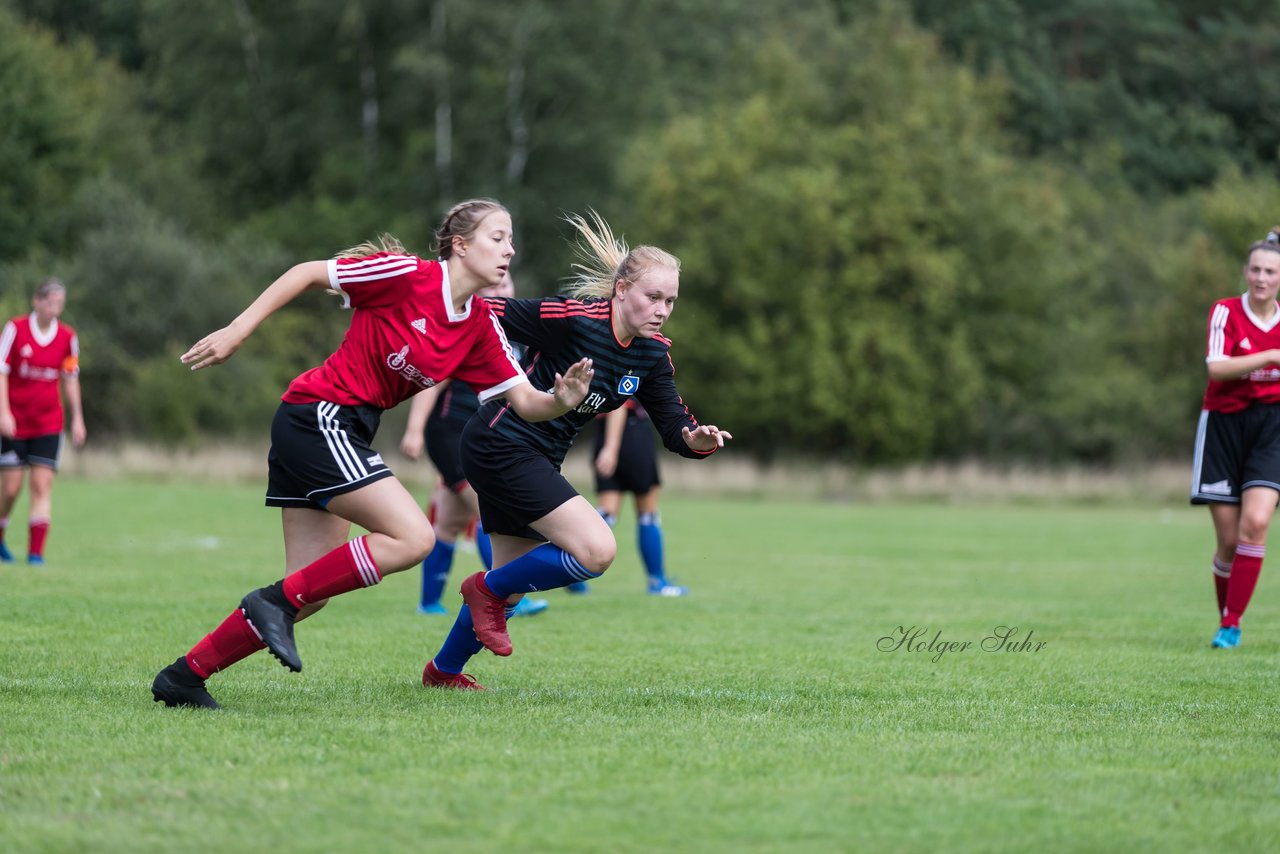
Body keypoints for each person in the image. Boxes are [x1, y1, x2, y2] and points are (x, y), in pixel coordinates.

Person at [150, 198, 593, 709]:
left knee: (309, 593)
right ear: (460, 244)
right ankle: (268, 603)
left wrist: (559, 401)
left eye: (511, 240)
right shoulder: (407, 275)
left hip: (346, 428)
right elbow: (306, 273)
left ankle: (184, 676)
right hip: (319, 414)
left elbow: (526, 403)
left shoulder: (479, 325)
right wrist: (237, 330)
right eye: (498, 237)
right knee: (412, 537)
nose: (509, 250)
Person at [421, 211, 731, 690]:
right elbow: (487, 313)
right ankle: (482, 590)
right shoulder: (575, 319)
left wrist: (696, 441)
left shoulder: (652, 354)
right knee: (596, 550)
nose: (662, 309)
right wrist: (425, 298)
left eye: (670, 300)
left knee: (511, 583)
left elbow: (675, 426)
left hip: (535, 456)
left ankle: (443, 671)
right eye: (653, 297)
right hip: (500, 441)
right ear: (622, 289)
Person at [400, 273, 548, 618]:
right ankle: (507, 596)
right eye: (494, 287)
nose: (501, 291)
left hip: (481, 438)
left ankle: (428, 603)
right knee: (491, 509)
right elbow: (432, 382)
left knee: (450, 523)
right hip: (451, 433)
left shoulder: (519, 337)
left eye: (507, 286)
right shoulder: (469, 329)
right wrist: (414, 429)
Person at [1190, 226, 1280, 650]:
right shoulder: (1225, 312)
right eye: (1256, 270)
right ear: (1245, 272)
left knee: (1256, 523)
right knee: (1228, 541)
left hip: (1272, 427)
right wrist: (1269, 355)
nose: (1262, 278)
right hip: (1224, 425)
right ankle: (1227, 618)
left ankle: (1232, 623)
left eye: (1271, 272)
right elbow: (1217, 368)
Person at [0, 278, 87, 566]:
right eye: (50, 302)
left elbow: (70, 378)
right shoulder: (15, 329)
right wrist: (4, 413)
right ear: (36, 301)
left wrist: (77, 420)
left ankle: (36, 554)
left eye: (59, 304)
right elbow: (2, 372)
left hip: (49, 423)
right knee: (11, 488)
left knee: (41, 485)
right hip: (14, 423)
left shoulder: (67, 337)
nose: (54, 309)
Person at [565, 401, 687, 596]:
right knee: (648, 513)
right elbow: (620, 404)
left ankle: (571, 569)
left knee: (607, 512)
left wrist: (608, 447)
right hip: (631, 436)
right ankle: (658, 581)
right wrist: (612, 449)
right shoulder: (631, 369)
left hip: (604, 434)